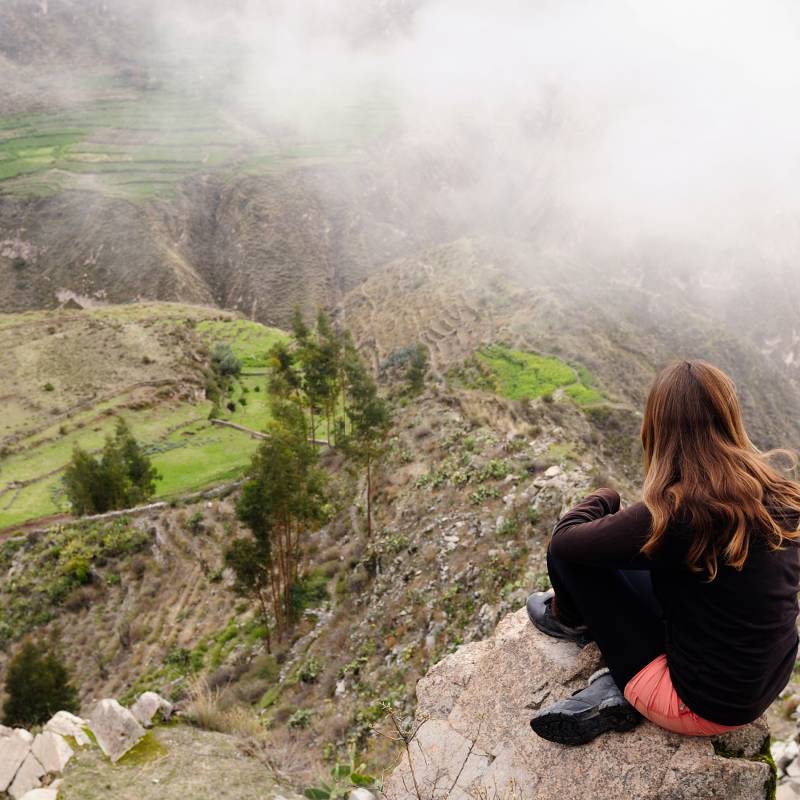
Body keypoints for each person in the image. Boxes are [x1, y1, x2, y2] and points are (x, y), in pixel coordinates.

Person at [527, 359, 800, 746]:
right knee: (631, 563)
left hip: (699, 704)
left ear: (657, 427)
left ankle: (573, 625)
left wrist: (606, 496)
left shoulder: (679, 513)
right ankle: (617, 672)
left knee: (575, 560)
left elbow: (565, 542)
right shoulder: (776, 491)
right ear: (729, 417)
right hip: (764, 682)